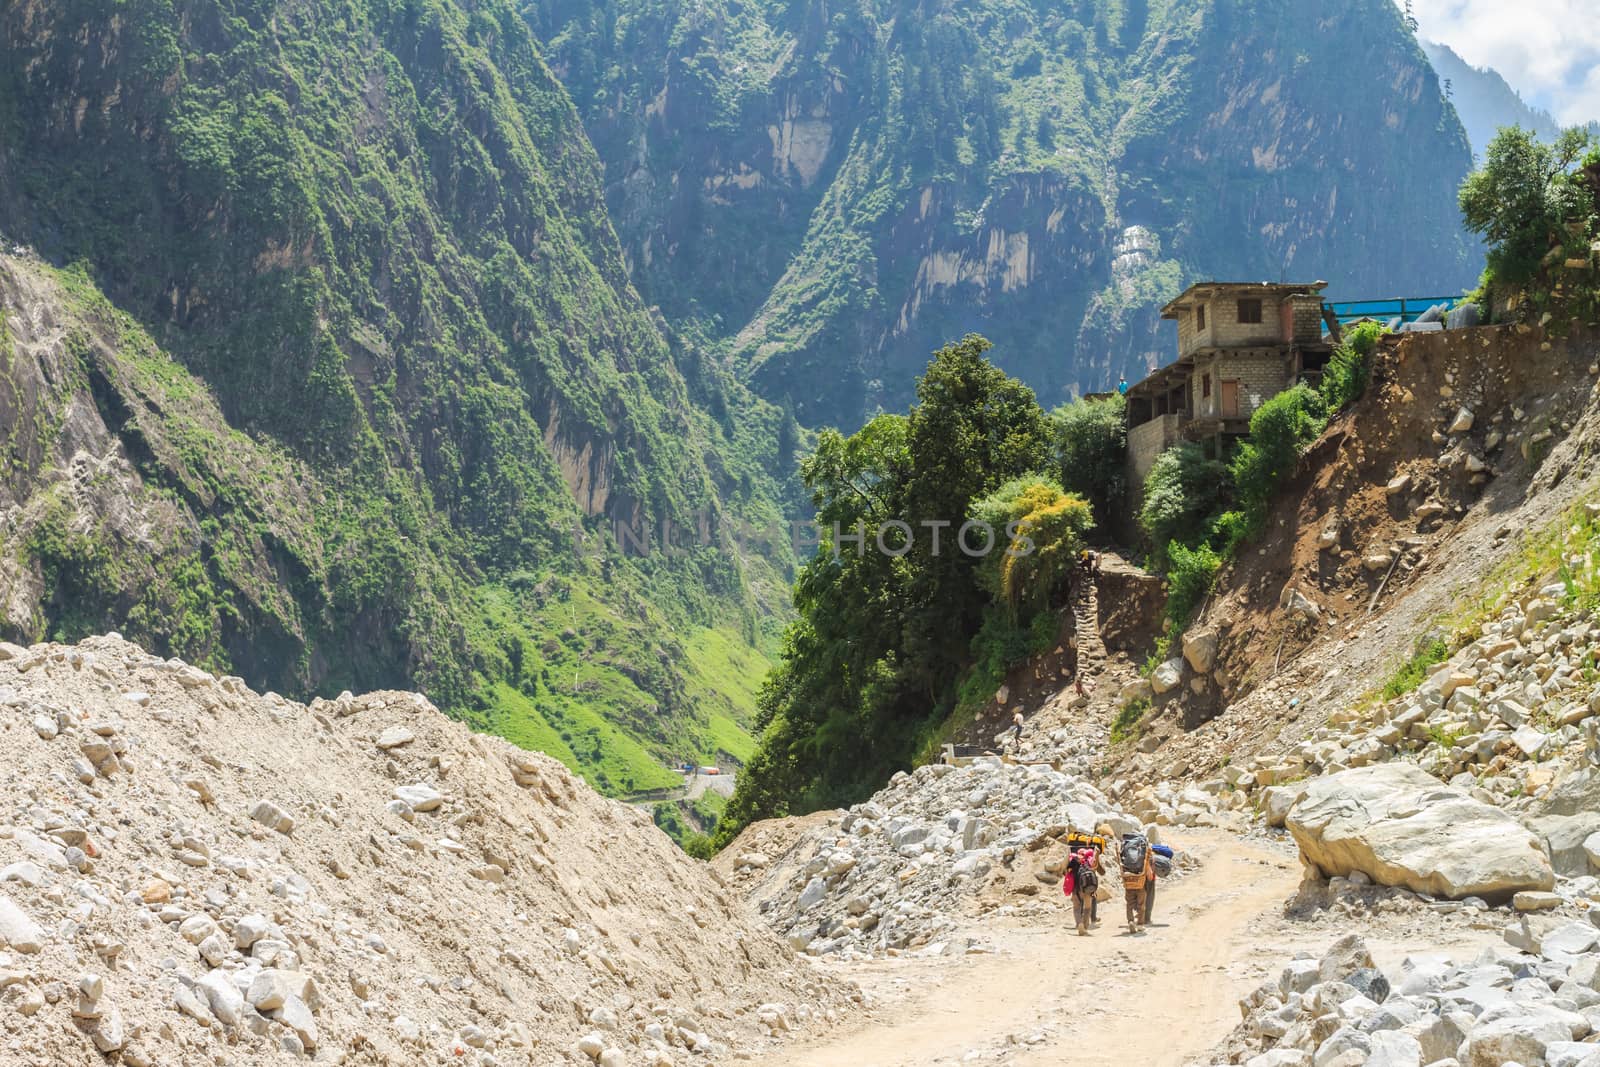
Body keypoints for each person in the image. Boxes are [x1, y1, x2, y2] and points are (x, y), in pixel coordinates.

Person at [1063, 846, 1099, 936]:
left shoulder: (1073, 861)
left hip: (1076, 890)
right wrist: (1096, 854)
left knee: (1076, 908)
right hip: (1087, 890)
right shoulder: (1088, 862)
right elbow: (1095, 866)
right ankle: (1085, 926)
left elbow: (1066, 871)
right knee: (1087, 908)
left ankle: (1079, 924)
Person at [1121, 834, 1153, 935]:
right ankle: (1140, 924)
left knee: (1129, 904)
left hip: (1129, 883)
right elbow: (1150, 875)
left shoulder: (1124, 852)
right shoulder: (1143, 855)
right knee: (1141, 905)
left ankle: (1130, 921)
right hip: (1140, 883)